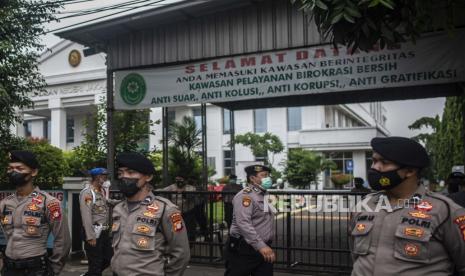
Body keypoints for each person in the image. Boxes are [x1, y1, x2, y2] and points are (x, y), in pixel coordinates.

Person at [350, 137, 465, 275]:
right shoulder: (364, 205)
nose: (375, 167)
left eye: (384, 162)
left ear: (410, 171)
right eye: (374, 161)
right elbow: (355, 256)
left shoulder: (445, 210)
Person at [111, 152, 190, 276]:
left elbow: (181, 254)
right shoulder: (118, 209)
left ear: (148, 177)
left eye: (131, 172)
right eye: (120, 173)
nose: (124, 177)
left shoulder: (166, 210)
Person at [0, 150, 71, 276]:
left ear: (33, 172)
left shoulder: (49, 203)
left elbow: (63, 240)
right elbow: (8, 235)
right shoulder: (5, 203)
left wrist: (54, 269)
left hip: (36, 269)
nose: (13, 172)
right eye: (10, 168)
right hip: (9, 269)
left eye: (19, 168)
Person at [225, 165, 277, 276]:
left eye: (268, 175)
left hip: (263, 247)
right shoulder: (245, 196)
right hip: (245, 248)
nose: (267, 178)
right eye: (263, 175)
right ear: (252, 178)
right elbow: (243, 223)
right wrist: (261, 246)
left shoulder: (263, 194)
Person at [79, 168, 113, 276]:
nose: (107, 180)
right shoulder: (88, 193)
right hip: (94, 233)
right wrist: (90, 236)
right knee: (96, 263)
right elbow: (86, 215)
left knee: (109, 258)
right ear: (98, 178)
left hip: (104, 232)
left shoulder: (100, 192)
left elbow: (108, 203)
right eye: (105, 177)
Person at [162, 176, 197, 240]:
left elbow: (190, 197)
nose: (178, 181)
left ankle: (190, 242)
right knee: (177, 228)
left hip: (188, 211)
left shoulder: (191, 188)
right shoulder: (172, 187)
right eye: (177, 180)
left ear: (185, 180)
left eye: (180, 179)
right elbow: (162, 190)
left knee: (189, 228)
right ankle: (178, 241)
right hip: (176, 211)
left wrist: (183, 191)